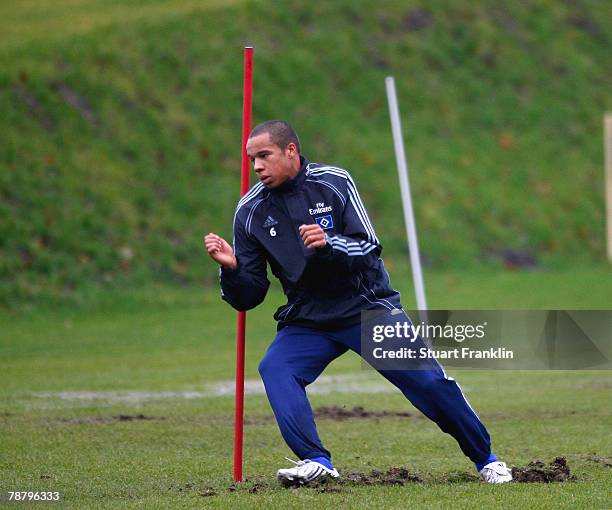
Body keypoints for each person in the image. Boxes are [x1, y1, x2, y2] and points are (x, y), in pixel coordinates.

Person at [204, 120, 512, 485]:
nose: (256, 167)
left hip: (365, 309)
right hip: (308, 319)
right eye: (252, 159)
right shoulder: (250, 211)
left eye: (264, 156)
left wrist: (329, 243)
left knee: (428, 384)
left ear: (291, 151)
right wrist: (233, 269)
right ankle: (316, 460)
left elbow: (368, 247)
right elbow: (249, 296)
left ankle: (487, 460)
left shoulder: (334, 182)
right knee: (275, 368)